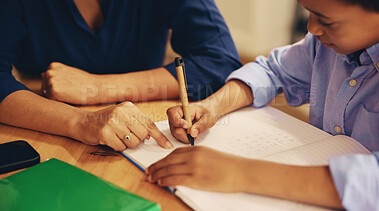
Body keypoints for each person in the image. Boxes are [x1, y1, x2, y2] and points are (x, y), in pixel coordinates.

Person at [145, 0, 379, 210]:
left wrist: (238, 172)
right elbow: (272, 71)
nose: (311, 29)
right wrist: (212, 107)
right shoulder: (325, 45)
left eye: (326, 21)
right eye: (308, 13)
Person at [0, 0, 241, 151]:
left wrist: (95, 87)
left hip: (142, 124)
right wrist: (81, 121)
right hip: (44, 126)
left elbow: (220, 61)